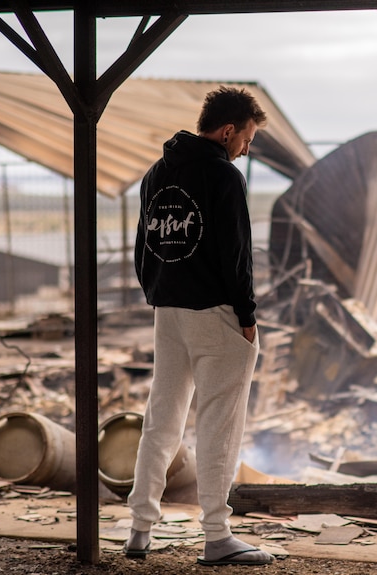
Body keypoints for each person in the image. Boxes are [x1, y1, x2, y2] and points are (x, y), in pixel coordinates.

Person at [124, 86, 272, 566]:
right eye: (247, 139)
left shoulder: (157, 173)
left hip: (169, 314)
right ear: (228, 130)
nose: (246, 149)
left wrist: (157, 294)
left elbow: (142, 248)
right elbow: (236, 254)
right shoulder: (224, 176)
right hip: (216, 315)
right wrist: (247, 316)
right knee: (219, 425)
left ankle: (140, 529)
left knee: (161, 420)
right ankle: (216, 536)